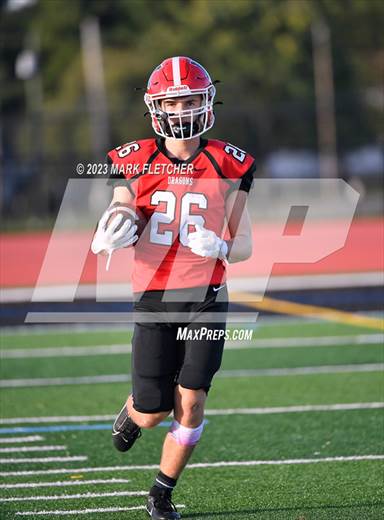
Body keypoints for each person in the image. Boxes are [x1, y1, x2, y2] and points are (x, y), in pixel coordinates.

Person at [91, 56, 255, 520]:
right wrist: (113, 224)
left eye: (190, 99)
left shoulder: (230, 162)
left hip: (206, 297)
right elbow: (122, 205)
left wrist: (221, 245)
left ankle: (161, 492)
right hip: (153, 297)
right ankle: (133, 412)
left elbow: (244, 244)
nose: (183, 109)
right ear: (156, 107)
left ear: (206, 102)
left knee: (193, 400)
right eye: (174, 100)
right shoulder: (135, 157)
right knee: (152, 411)